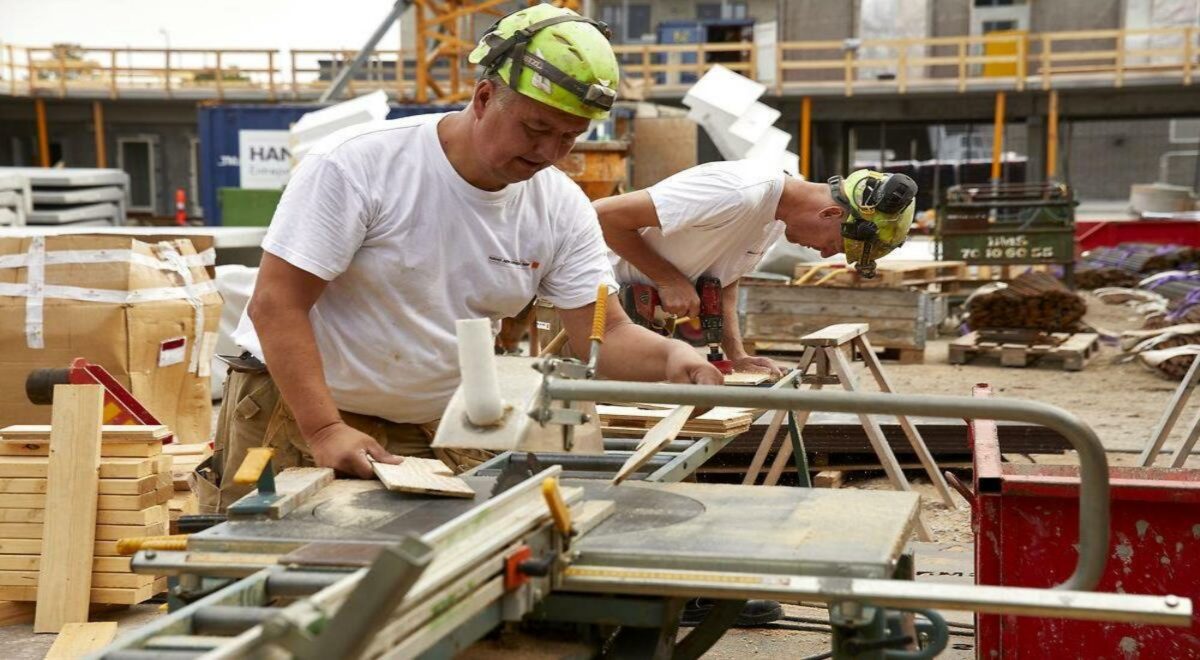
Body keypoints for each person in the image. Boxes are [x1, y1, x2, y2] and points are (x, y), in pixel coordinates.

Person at [199, 4, 723, 512]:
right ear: (484, 96)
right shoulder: (360, 165)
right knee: (279, 571)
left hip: (433, 420)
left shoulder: (560, 207)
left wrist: (672, 359)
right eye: (536, 129)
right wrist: (324, 428)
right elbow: (276, 304)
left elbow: (605, 334)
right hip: (299, 409)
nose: (549, 153)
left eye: (569, 137)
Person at [597, 162, 917, 377]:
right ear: (831, 213)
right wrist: (667, 279)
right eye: (832, 245)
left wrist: (736, 354)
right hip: (583, 312)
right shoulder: (737, 193)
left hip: (628, 326)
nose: (822, 252)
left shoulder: (774, 217)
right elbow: (602, 215)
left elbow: (723, 279)